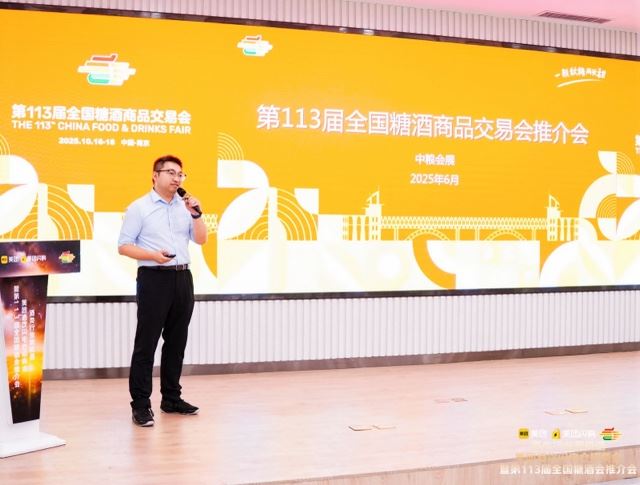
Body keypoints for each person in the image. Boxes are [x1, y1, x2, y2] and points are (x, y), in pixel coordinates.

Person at [118, 155, 207, 427]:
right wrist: (153, 256)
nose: (176, 178)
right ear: (155, 176)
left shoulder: (185, 207)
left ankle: (171, 398)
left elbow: (201, 239)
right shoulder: (139, 208)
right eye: (170, 172)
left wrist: (197, 215)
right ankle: (140, 405)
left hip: (183, 278)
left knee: (176, 342)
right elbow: (123, 246)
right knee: (146, 344)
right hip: (154, 278)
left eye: (180, 174)